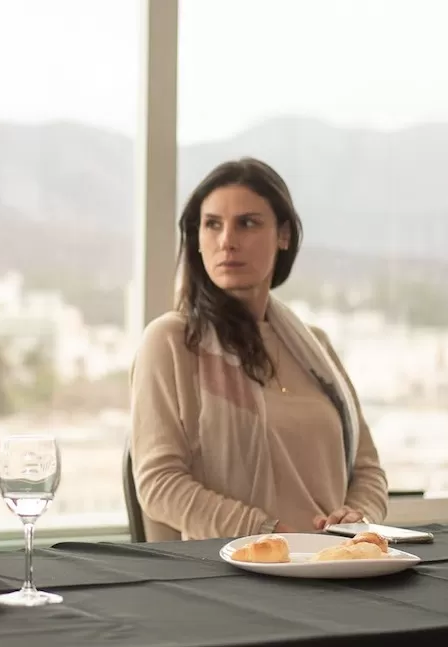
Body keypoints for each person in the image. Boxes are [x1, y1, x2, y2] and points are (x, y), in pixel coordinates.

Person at [129, 157, 388, 540]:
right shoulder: (172, 341)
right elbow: (159, 483)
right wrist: (267, 533)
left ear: (283, 235)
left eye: (247, 223)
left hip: (334, 565)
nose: (227, 240)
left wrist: (356, 521)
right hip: (231, 573)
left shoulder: (315, 347)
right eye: (212, 224)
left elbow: (367, 471)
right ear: (196, 238)